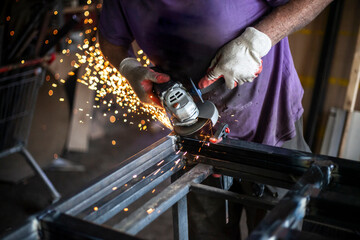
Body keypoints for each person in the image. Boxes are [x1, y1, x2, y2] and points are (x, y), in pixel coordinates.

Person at [98, 0, 332, 239]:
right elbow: (110, 39)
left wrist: (257, 41)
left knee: (276, 229)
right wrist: (129, 68)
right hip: (193, 138)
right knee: (206, 231)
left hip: (269, 122)